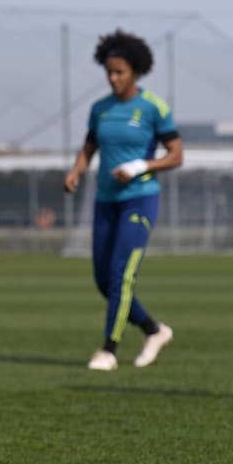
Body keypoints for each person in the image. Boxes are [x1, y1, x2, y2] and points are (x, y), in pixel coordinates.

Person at [63, 30, 183, 371]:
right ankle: (153, 330)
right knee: (104, 280)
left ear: (135, 71)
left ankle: (109, 350)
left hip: (139, 200)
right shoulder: (100, 109)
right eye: (110, 73)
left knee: (121, 276)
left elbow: (176, 155)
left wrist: (142, 165)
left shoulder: (153, 108)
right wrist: (76, 171)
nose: (114, 78)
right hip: (105, 201)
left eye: (120, 72)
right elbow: (89, 148)